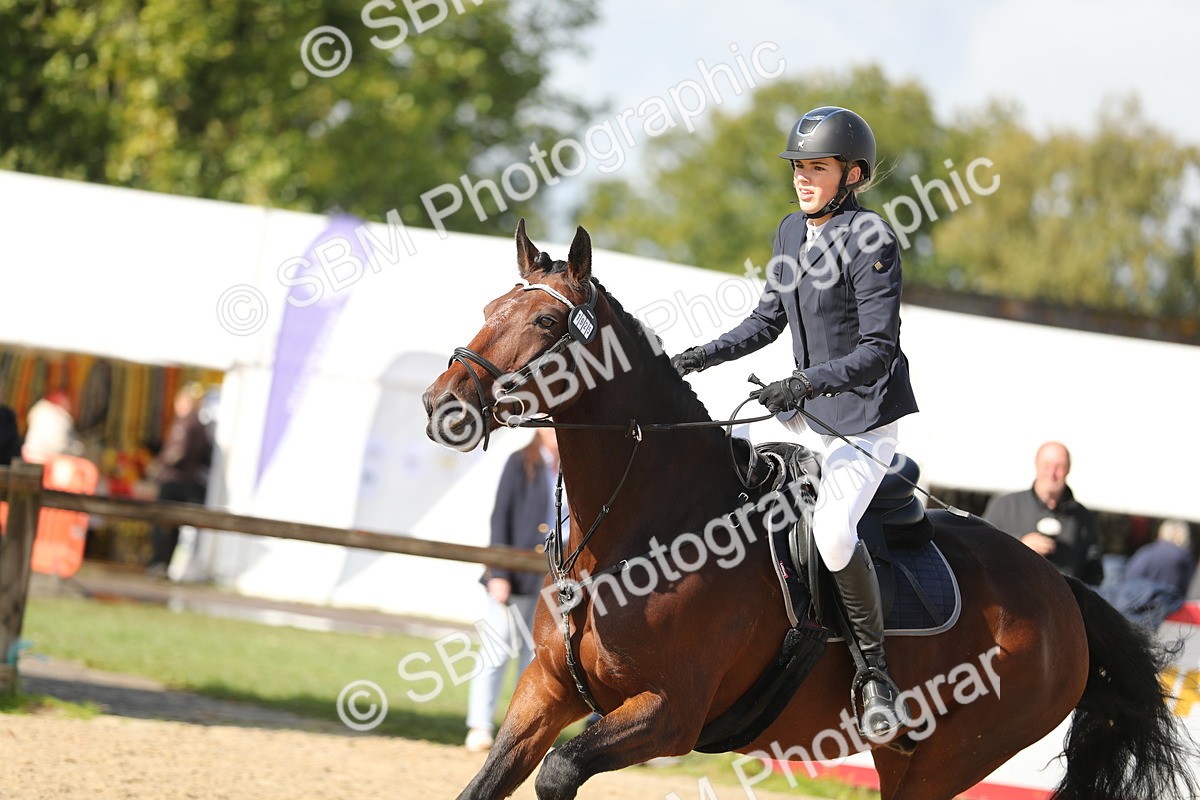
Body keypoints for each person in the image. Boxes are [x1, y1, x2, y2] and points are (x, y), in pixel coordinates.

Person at [669, 106, 917, 742]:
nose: (803, 179)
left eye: (817, 168)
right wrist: (699, 355)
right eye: (799, 167)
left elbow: (877, 351)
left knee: (834, 532)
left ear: (852, 174)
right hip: (800, 413)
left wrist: (805, 380)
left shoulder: (874, 241)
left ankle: (874, 675)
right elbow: (767, 322)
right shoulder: (789, 231)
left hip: (860, 425)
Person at [466, 428, 565, 752]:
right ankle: (480, 724)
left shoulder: (571, 465)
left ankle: (525, 730)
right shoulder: (521, 462)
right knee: (496, 649)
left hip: (552, 577)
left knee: (536, 656)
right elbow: (501, 518)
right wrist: (499, 571)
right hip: (515, 574)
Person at [982, 441, 1103, 585]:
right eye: (1046, 465)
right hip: (1009, 600)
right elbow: (979, 549)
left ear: (1068, 469)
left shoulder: (1083, 519)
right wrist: (1019, 544)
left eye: (1059, 467)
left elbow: (1094, 575)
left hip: (1062, 603)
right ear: (1036, 465)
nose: (1052, 473)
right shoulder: (1004, 506)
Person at [146, 383, 213, 577]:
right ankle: (166, 563)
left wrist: (158, 466)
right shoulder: (201, 426)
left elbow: (177, 452)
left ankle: (158, 562)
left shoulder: (184, 423)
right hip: (188, 481)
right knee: (175, 525)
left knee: (160, 523)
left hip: (173, 480)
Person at [1102, 519, 1194, 631]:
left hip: (1141, 609)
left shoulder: (1146, 551)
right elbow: (1185, 589)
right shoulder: (1185, 558)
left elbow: (1129, 578)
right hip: (1168, 613)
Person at [21, 390, 84, 463]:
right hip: (50, 460)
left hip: (29, 455)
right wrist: (78, 450)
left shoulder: (38, 411)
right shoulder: (60, 418)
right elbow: (60, 445)